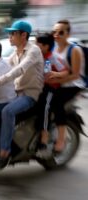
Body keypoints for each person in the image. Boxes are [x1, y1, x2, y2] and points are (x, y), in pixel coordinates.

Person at [0, 20, 44, 169]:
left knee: (7, 111)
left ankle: (5, 152)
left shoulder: (33, 51)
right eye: (9, 34)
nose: (10, 36)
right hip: (17, 94)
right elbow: (1, 67)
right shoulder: (15, 54)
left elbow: (18, 70)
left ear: (23, 35)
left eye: (13, 33)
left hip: (29, 94)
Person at [47, 19, 85, 153]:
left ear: (68, 34)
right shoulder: (53, 47)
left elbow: (75, 75)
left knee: (56, 103)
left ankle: (61, 139)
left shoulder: (74, 50)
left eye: (61, 32)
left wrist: (56, 79)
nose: (56, 35)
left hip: (73, 84)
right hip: (57, 82)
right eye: (54, 32)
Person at [35, 33, 69, 157]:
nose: (35, 46)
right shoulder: (38, 56)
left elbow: (66, 71)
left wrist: (55, 74)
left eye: (37, 44)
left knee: (45, 107)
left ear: (46, 46)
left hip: (51, 89)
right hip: (38, 86)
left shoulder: (52, 57)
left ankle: (44, 137)